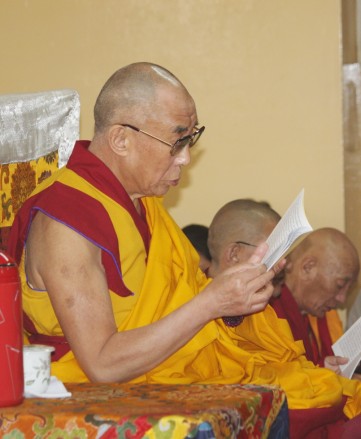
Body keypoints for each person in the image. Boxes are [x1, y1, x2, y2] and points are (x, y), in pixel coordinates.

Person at [8, 62, 279, 385]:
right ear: (121, 140)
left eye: (191, 139)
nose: (185, 158)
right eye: (177, 141)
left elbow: (176, 301)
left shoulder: (143, 202)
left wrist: (238, 294)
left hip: (164, 375)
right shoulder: (67, 221)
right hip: (84, 402)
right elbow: (102, 364)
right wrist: (212, 303)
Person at [207, 200, 361, 438]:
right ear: (234, 254)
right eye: (275, 257)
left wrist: (321, 374)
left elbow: (284, 371)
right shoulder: (196, 308)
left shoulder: (266, 314)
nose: (281, 269)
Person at [269, 228, 360, 374]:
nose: (342, 299)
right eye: (340, 285)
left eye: (348, 291)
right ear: (308, 267)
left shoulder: (316, 312)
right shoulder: (267, 309)